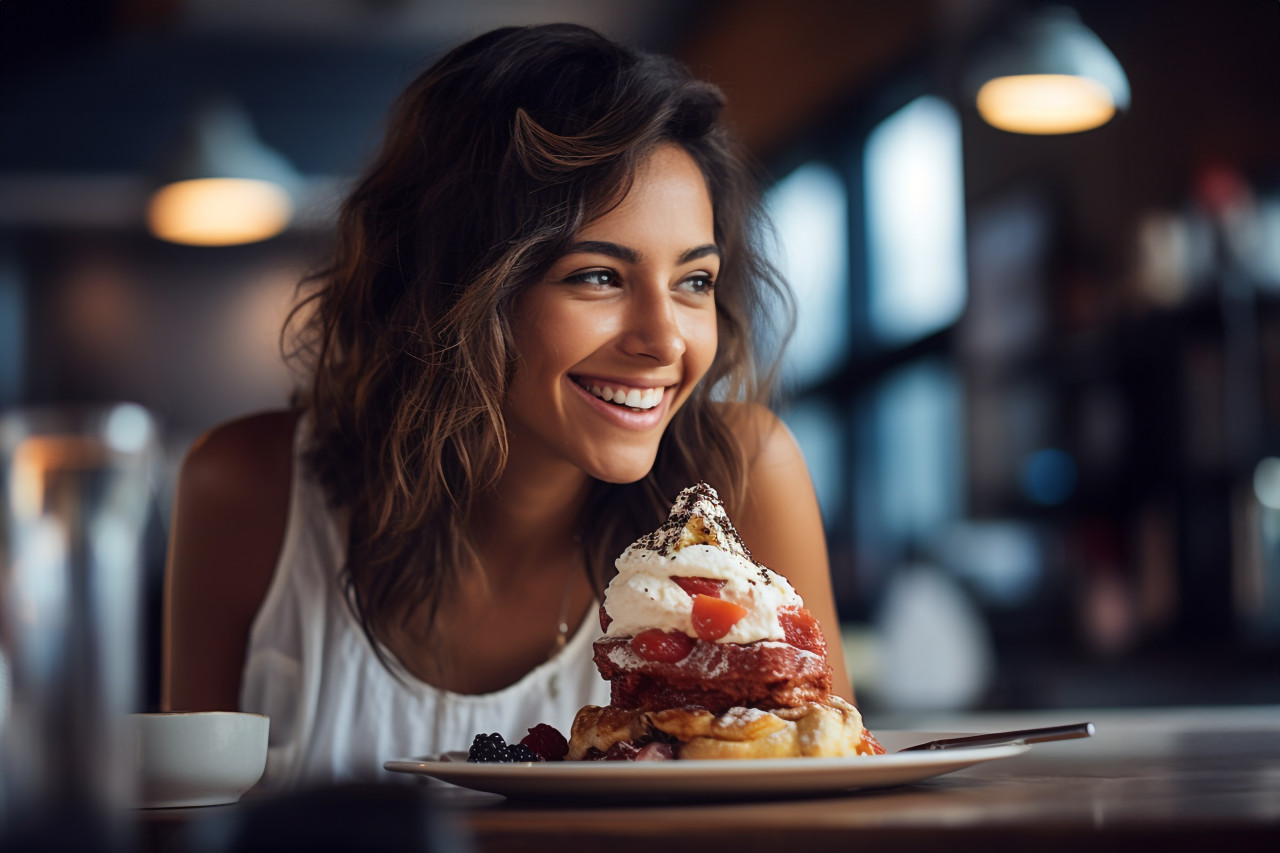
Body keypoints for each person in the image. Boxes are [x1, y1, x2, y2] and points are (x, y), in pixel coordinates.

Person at [162, 23, 850, 787]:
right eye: (598, 276)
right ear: (455, 290)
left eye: (694, 281)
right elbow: (178, 824)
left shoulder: (746, 473)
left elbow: (828, 793)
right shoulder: (245, 489)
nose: (665, 341)